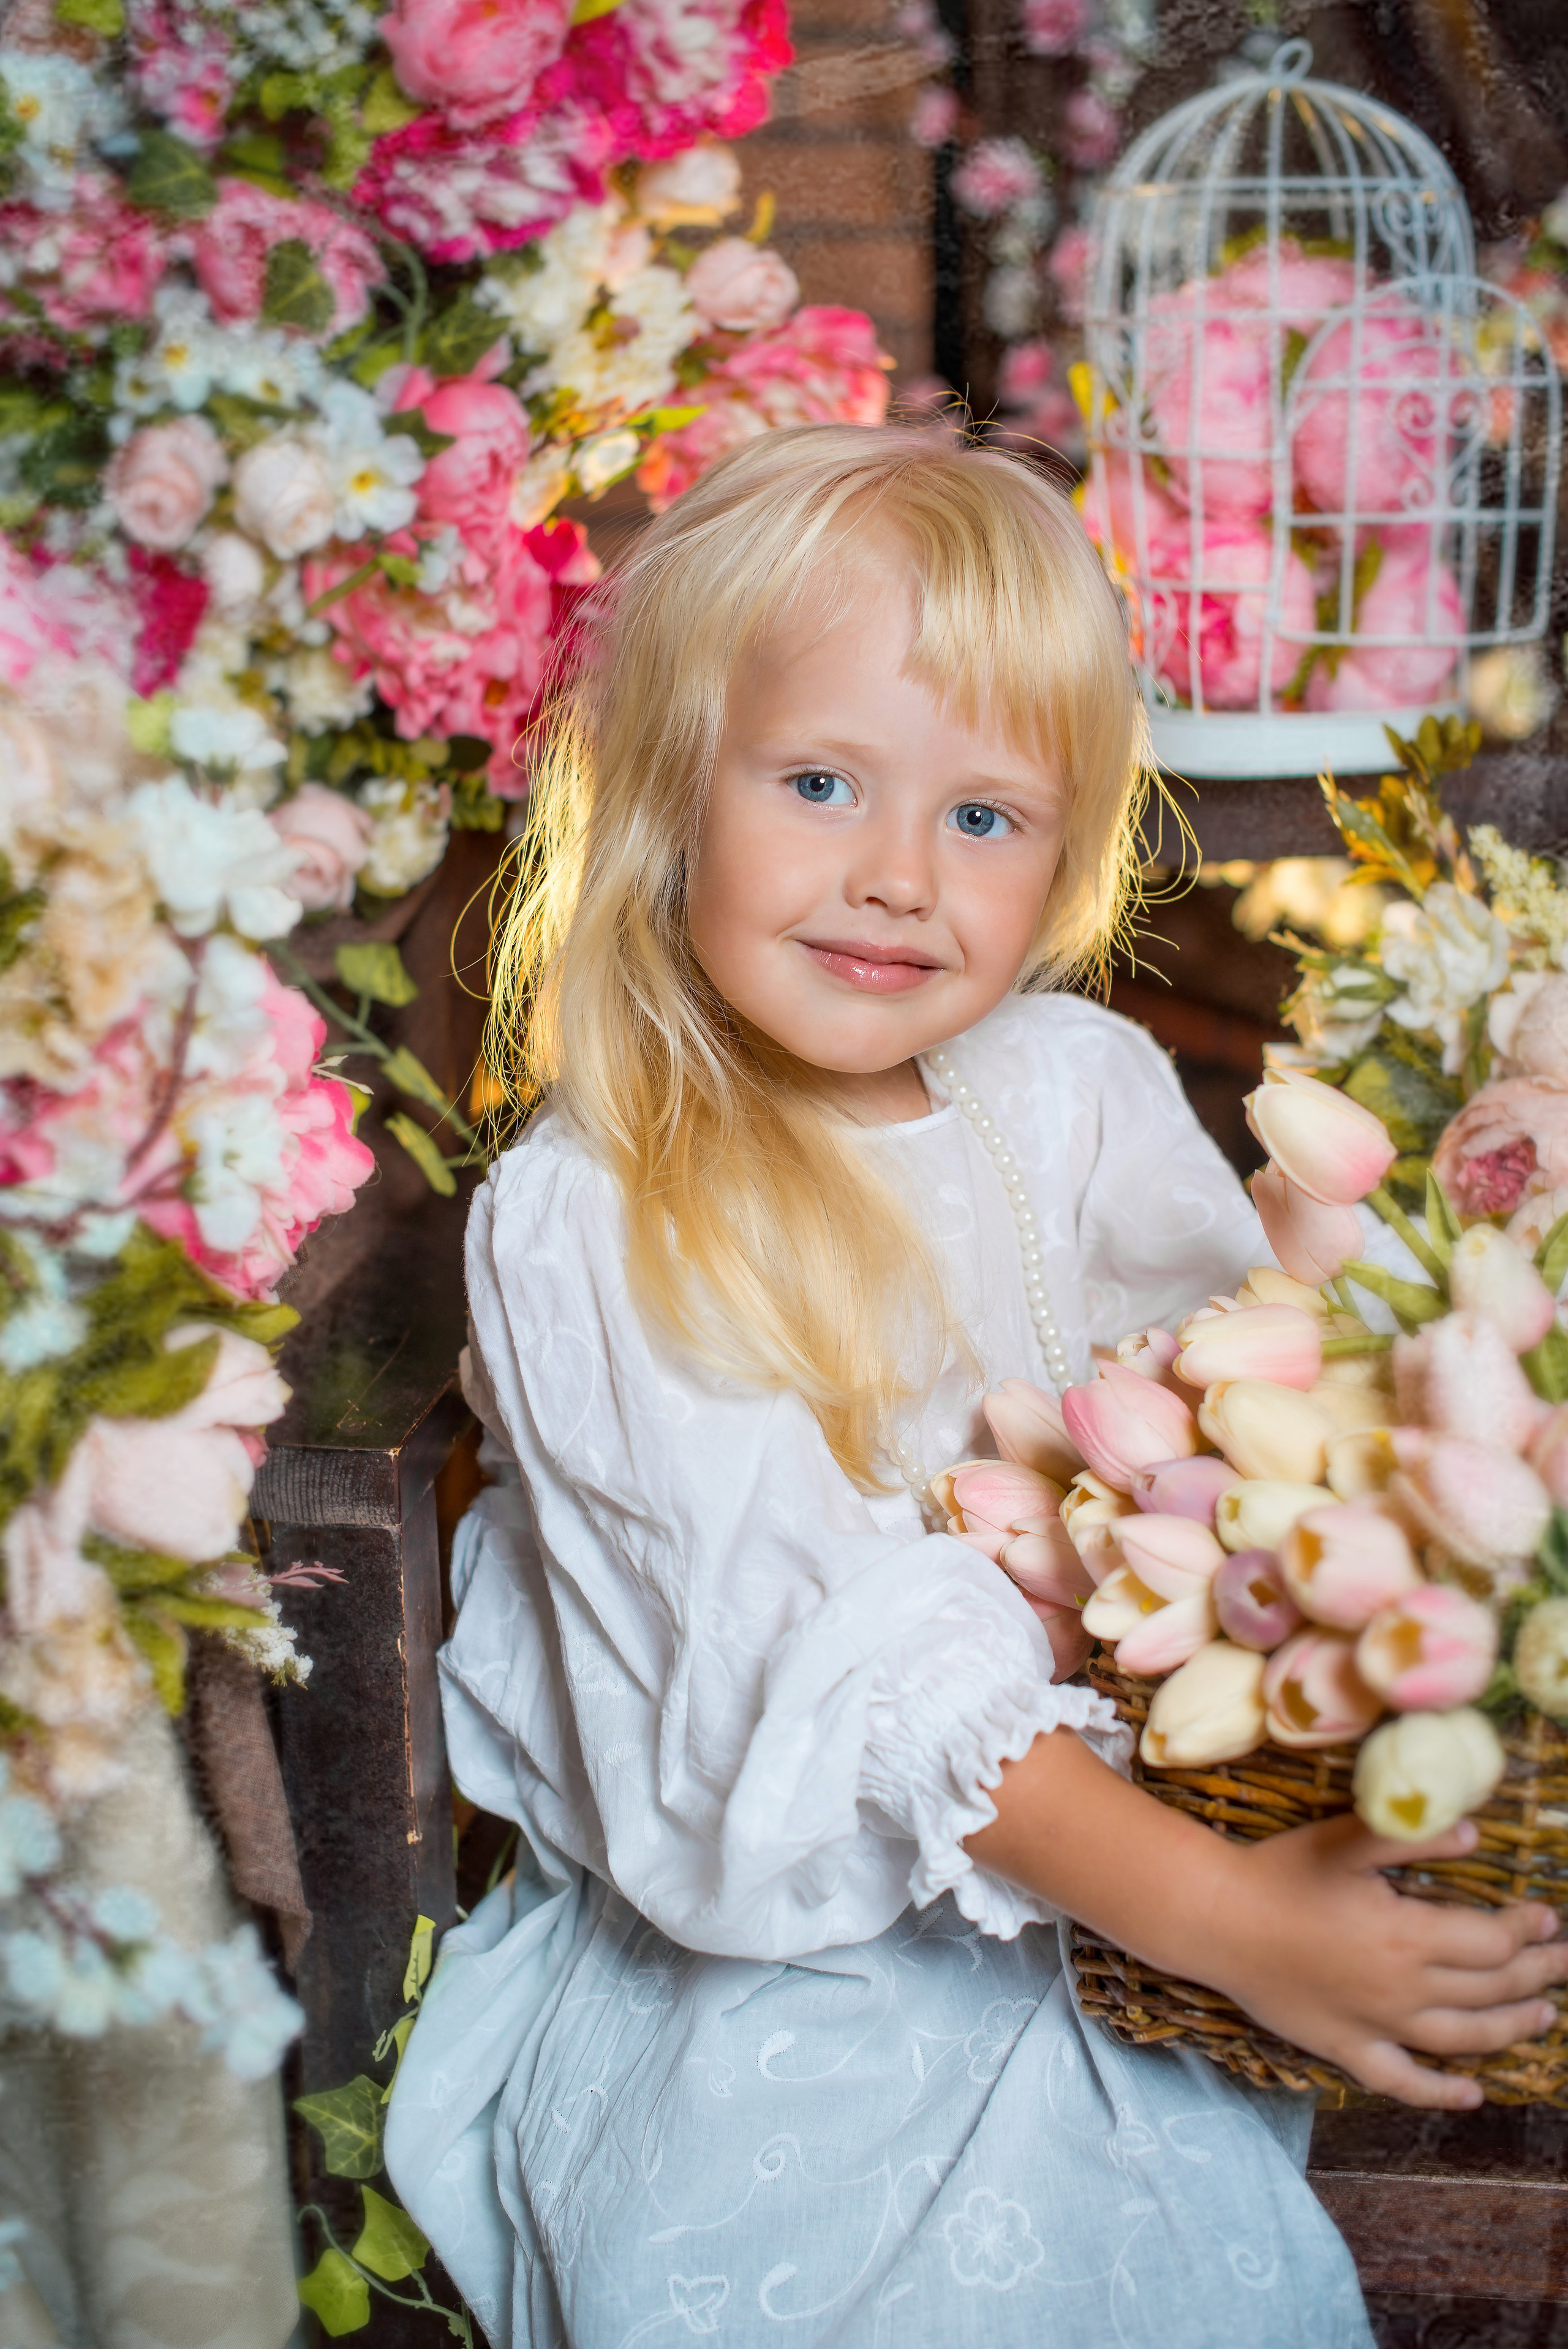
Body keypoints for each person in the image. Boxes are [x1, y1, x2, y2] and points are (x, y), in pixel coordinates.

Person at [385, 425, 1568, 2347]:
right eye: (825, 781)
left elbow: (1236, 1425)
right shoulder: (601, 1210)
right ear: (679, 787)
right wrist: (1232, 1926)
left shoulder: (1072, 1087)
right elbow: (817, 1671)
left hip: (1135, 1846)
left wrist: (1384, 1291)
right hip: (801, 1953)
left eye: (987, 817)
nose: (897, 880)